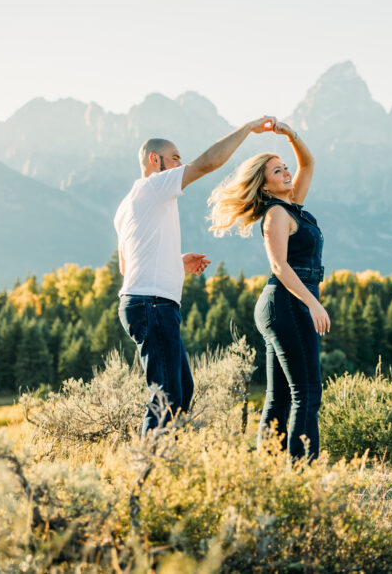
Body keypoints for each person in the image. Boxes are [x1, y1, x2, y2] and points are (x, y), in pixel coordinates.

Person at [115, 116, 274, 436]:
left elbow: (125, 267)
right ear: (153, 160)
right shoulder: (155, 185)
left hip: (146, 303)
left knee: (180, 392)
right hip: (153, 305)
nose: (180, 163)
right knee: (167, 399)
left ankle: (157, 472)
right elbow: (208, 163)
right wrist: (247, 129)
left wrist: (175, 262)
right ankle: (145, 480)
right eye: (174, 157)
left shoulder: (128, 204)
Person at [208, 121, 328, 460]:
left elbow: (308, 164)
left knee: (280, 397)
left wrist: (289, 134)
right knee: (307, 393)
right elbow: (279, 265)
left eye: (284, 167)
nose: (287, 172)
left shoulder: (291, 205)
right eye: (278, 171)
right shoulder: (276, 213)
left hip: (283, 305)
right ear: (264, 186)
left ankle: (269, 475)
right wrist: (313, 305)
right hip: (288, 303)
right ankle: (301, 476)